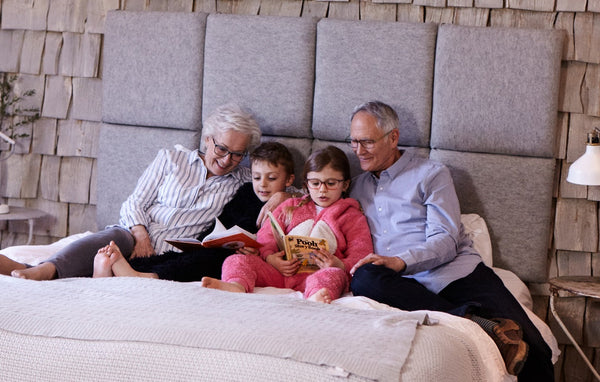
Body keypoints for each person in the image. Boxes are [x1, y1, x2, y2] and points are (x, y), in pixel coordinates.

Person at [346, 101, 553, 380]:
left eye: (367, 142)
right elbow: (314, 200)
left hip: (455, 275)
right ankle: (479, 324)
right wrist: (279, 197)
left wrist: (399, 261)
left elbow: (445, 241)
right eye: (354, 141)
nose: (358, 151)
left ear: (393, 137)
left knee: (536, 351)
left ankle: (474, 319)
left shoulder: (431, 174)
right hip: (400, 288)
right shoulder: (355, 186)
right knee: (363, 279)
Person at [0, 103, 262, 280]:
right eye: (222, 149)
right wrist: (140, 234)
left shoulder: (244, 181)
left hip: (172, 254)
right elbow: (134, 202)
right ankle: (43, 270)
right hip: (134, 235)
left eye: (238, 154)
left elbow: (288, 186)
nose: (228, 159)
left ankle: (100, 274)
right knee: (113, 237)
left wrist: (281, 195)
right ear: (208, 139)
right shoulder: (171, 159)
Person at [92, 141, 296, 281]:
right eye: (257, 177)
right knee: (182, 256)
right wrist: (210, 239)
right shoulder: (245, 190)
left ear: (288, 180)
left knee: (212, 261)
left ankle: (145, 277)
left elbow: (310, 197)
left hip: (247, 257)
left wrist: (284, 196)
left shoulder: (292, 205)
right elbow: (225, 220)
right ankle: (127, 268)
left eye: (272, 179)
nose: (262, 185)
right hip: (220, 244)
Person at [202, 146, 373, 304]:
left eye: (331, 183)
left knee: (333, 275)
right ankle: (236, 286)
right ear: (306, 184)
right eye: (315, 183)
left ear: (345, 184)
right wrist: (270, 258)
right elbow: (265, 235)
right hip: (280, 271)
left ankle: (316, 296)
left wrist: (340, 264)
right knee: (236, 260)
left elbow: (361, 253)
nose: (322, 190)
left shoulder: (352, 216)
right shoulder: (290, 205)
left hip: (317, 273)